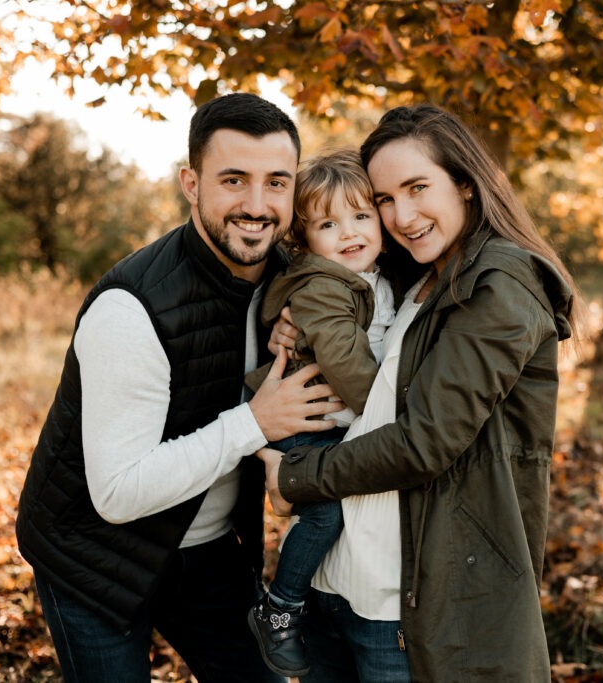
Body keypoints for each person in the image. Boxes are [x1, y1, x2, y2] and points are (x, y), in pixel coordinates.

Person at [15, 92, 344, 683]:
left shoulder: (295, 282)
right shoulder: (131, 308)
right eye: (234, 180)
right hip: (94, 554)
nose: (257, 204)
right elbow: (115, 495)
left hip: (205, 545)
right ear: (191, 184)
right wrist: (256, 425)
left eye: (277, 182)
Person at [262, 103, 584, 682]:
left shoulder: (500, 282)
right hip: (336, 581)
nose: (401, 215)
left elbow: (423, 442)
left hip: (401, 601)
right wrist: (298, 325)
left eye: (417, 187)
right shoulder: (413, 276)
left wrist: (294, 478)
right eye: (384, 199)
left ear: (465, 184)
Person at [245, 148, 396, 677]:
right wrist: (388, 420)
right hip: (306, 422)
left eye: (361, 216)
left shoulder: (371, 274)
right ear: (304, 239)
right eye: (328, 224)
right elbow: (346, 361)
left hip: (334, 424)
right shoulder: (322, 285)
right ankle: (280, 606)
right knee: (325, 512)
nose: (349, 232)